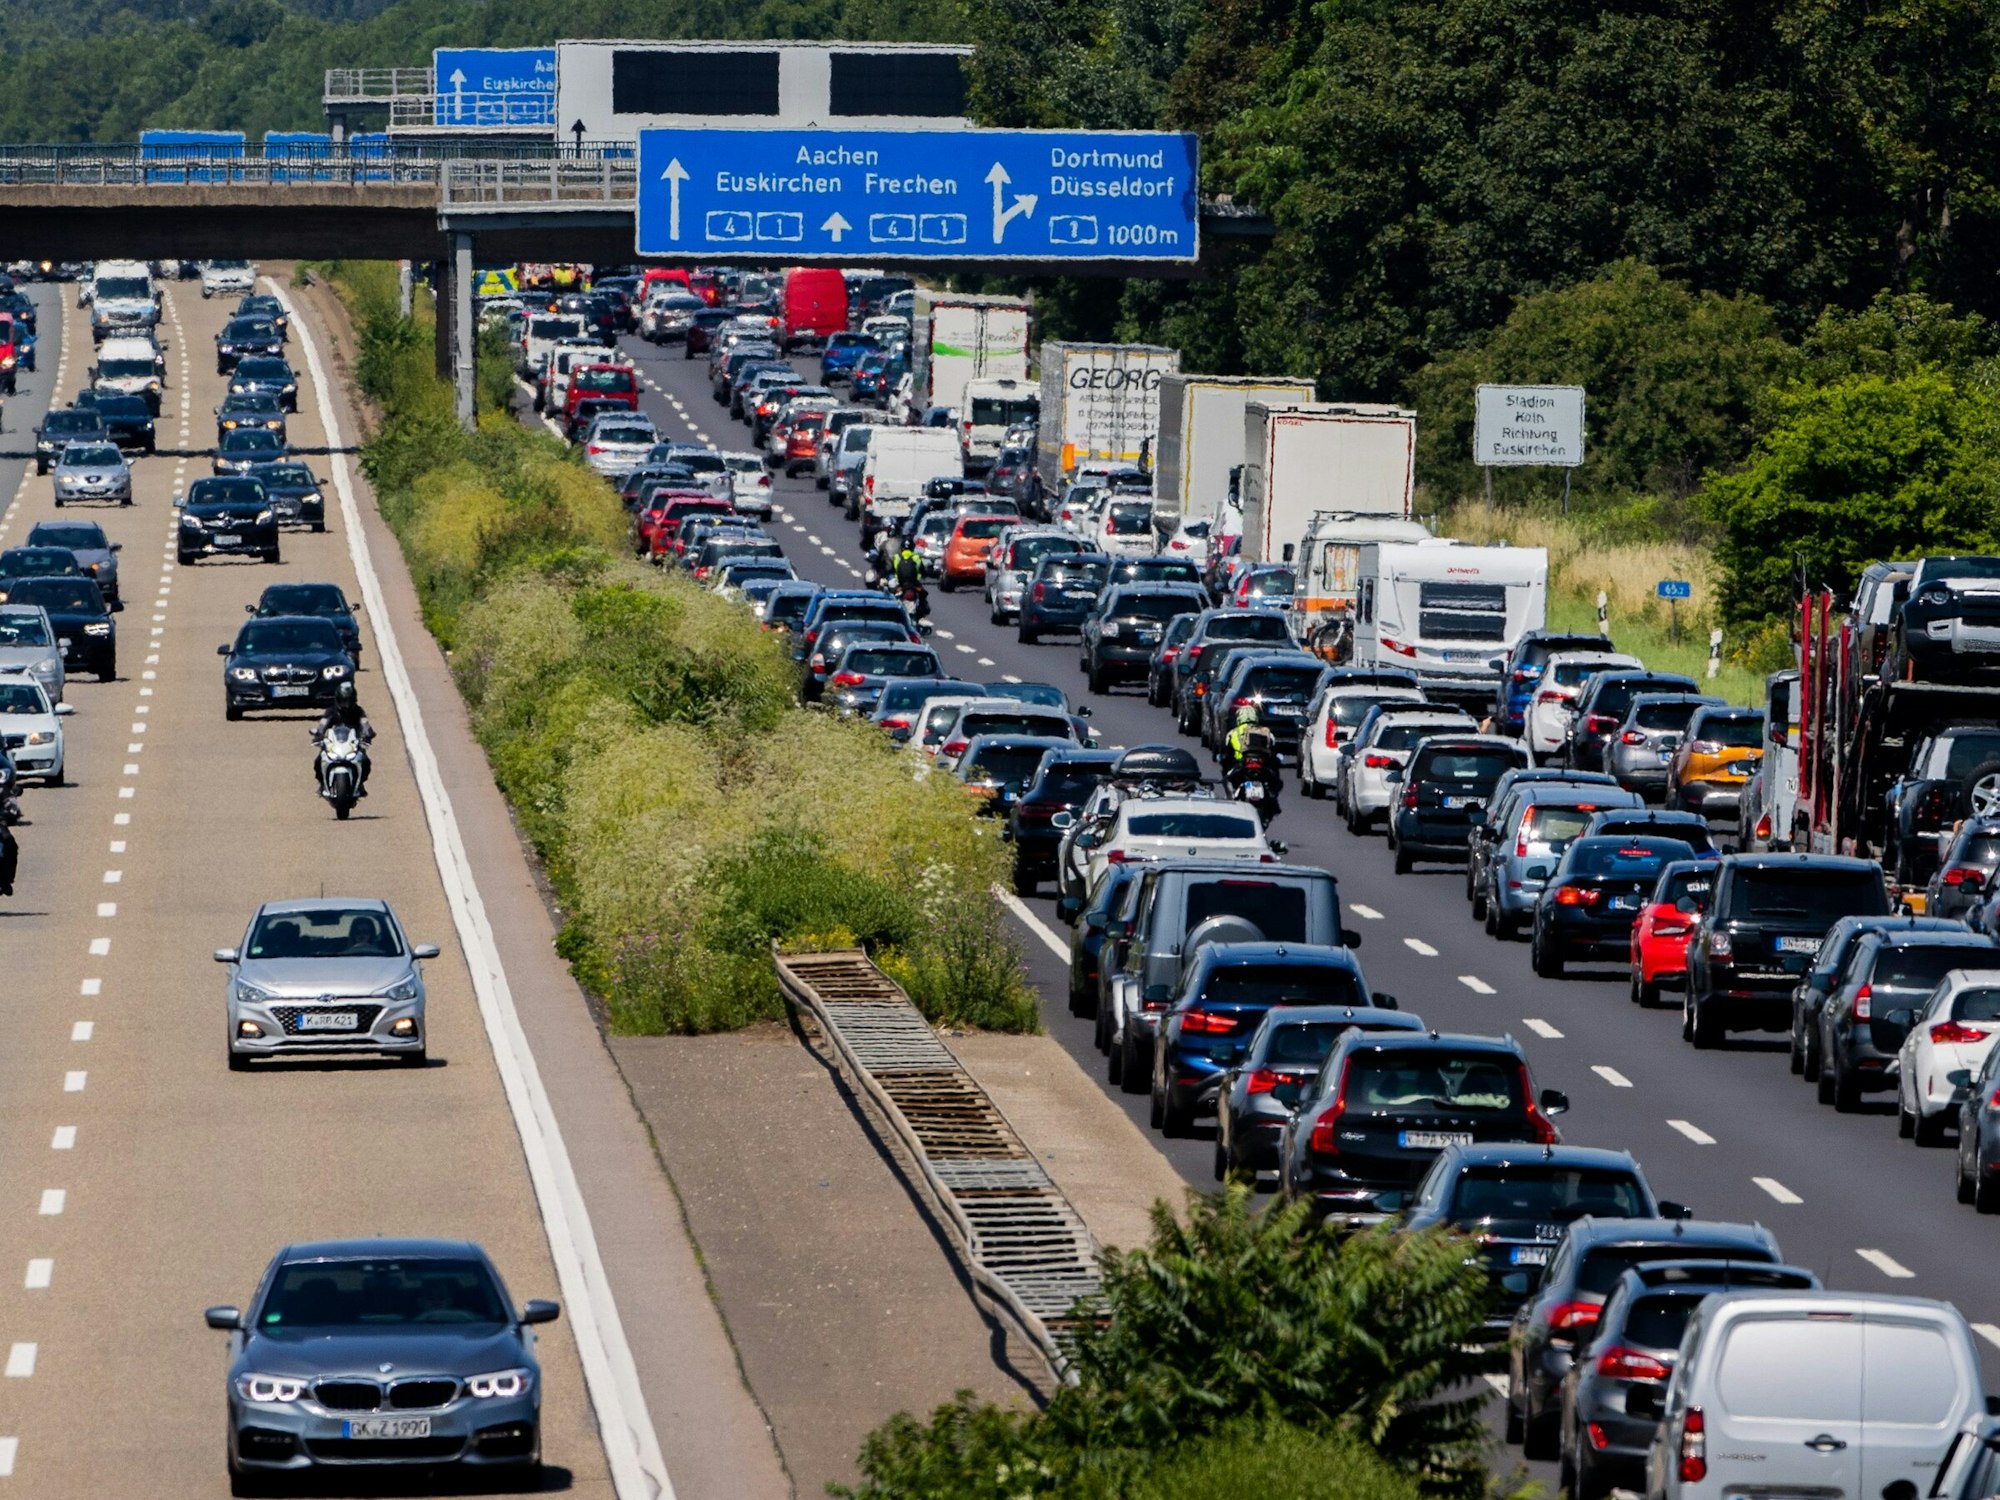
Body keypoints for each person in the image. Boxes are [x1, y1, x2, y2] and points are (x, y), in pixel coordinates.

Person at [312, 682, 375, 796]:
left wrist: (368, 734)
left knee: (366, 761)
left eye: (348, 701)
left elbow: (364, 723)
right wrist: (318, 735)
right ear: (338, 699)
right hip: (334, 744)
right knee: (318, 761)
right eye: (343, 701)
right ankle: (322, 784)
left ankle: (360, 784)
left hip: (353, 744)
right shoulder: (331, 711)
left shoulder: (358, 711)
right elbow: (323, 724)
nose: (346, 704)